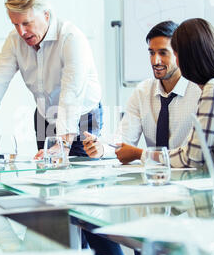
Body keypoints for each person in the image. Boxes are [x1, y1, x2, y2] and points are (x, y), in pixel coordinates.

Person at [114, 18, 214, 177]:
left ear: (188, 57)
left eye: (175, 53)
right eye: (151, 53)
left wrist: (139, 154)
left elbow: (190, 158)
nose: (178, 61)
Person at [0, 0, 102, 158]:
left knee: (77, 175)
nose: (21, 32)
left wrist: (62, 145)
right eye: (15, 24)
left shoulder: (71, 38)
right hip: (45, 114)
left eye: (26, 23)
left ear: (46, 15)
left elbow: (71, 94)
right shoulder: (14, 39)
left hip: (81, 115)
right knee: (46, 172)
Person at [83, 20, 201, 158]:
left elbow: (194, 153)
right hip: (154, 175)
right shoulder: (143, 92)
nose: (155, 61)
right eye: (151, 53)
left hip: (191, 174)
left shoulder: (199, 91)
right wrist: (101, 148)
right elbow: (124, 140)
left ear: (178, 54)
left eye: (163, 53)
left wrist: (140, 154)